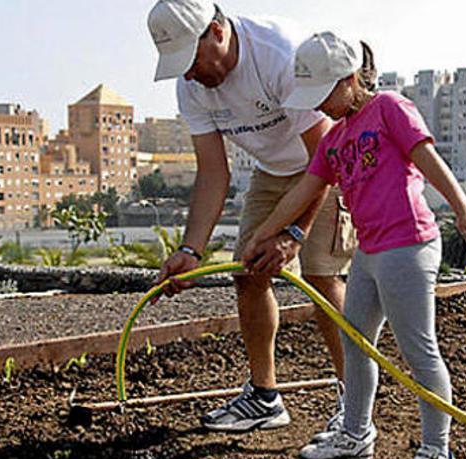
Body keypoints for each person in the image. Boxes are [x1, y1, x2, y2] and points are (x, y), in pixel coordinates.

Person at [242, 32, 466, 459]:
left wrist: (464, 209)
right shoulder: (335, 138)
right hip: (369, 251)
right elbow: (303, 191)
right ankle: (356, 433)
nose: (320, 107)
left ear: (351, 78)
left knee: (419, 351)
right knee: (356, 343)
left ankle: (437, 452)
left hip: (409, 246)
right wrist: (263, 233)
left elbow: (428, 158)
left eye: (325, 95)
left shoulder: (390, 109)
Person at [147, 0, 355, 434]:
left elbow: (326, 158)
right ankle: (265, 398)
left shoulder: (279, 55)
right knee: (249, 271)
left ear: (218, 32)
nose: (188, 73)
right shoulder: (191, 87)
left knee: (321, 277)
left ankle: (354, 402)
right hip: (275, 171)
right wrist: (191, 250)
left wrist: (295, 233)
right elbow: (213, 172)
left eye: (190, 59)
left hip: (330, 163)